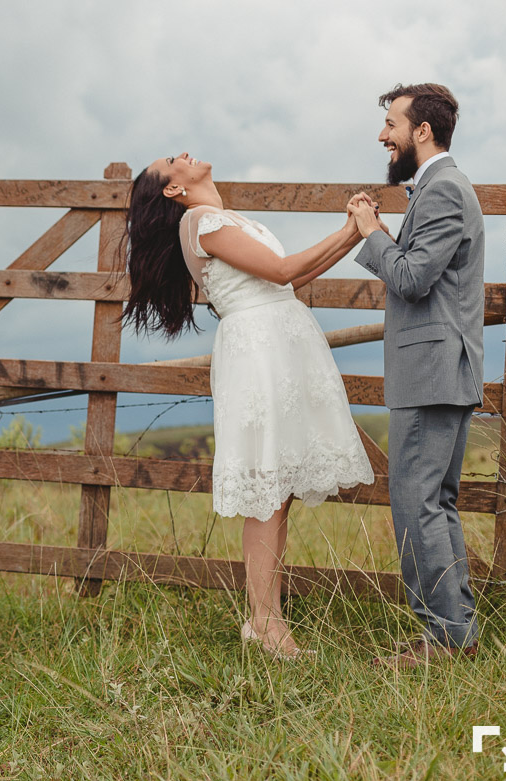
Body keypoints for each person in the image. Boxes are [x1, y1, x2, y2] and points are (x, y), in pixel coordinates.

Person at [124, 152, 375, 660]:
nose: (186, 154)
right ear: (173, 190)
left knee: (278, 487)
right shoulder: (200, 221)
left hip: (281, 337)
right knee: (267, 485)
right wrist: (353, 228)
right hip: (258, 347)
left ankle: (267, 619)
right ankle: (264, 622)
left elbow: (288, 280)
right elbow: (284, 268)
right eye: (174, 160)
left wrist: (354, 232)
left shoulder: (226, 219)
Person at [348, 83, 484, 667]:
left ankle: (444, 640)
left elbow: (409, 279)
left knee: (415, 502)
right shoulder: (434, 188)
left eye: (391, 124)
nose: (383, 136)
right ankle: (454, 634)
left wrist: (368, 230)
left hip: (432, 371)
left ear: (421, 131)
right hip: (437, 370)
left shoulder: (444, 191)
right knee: (436, 502)